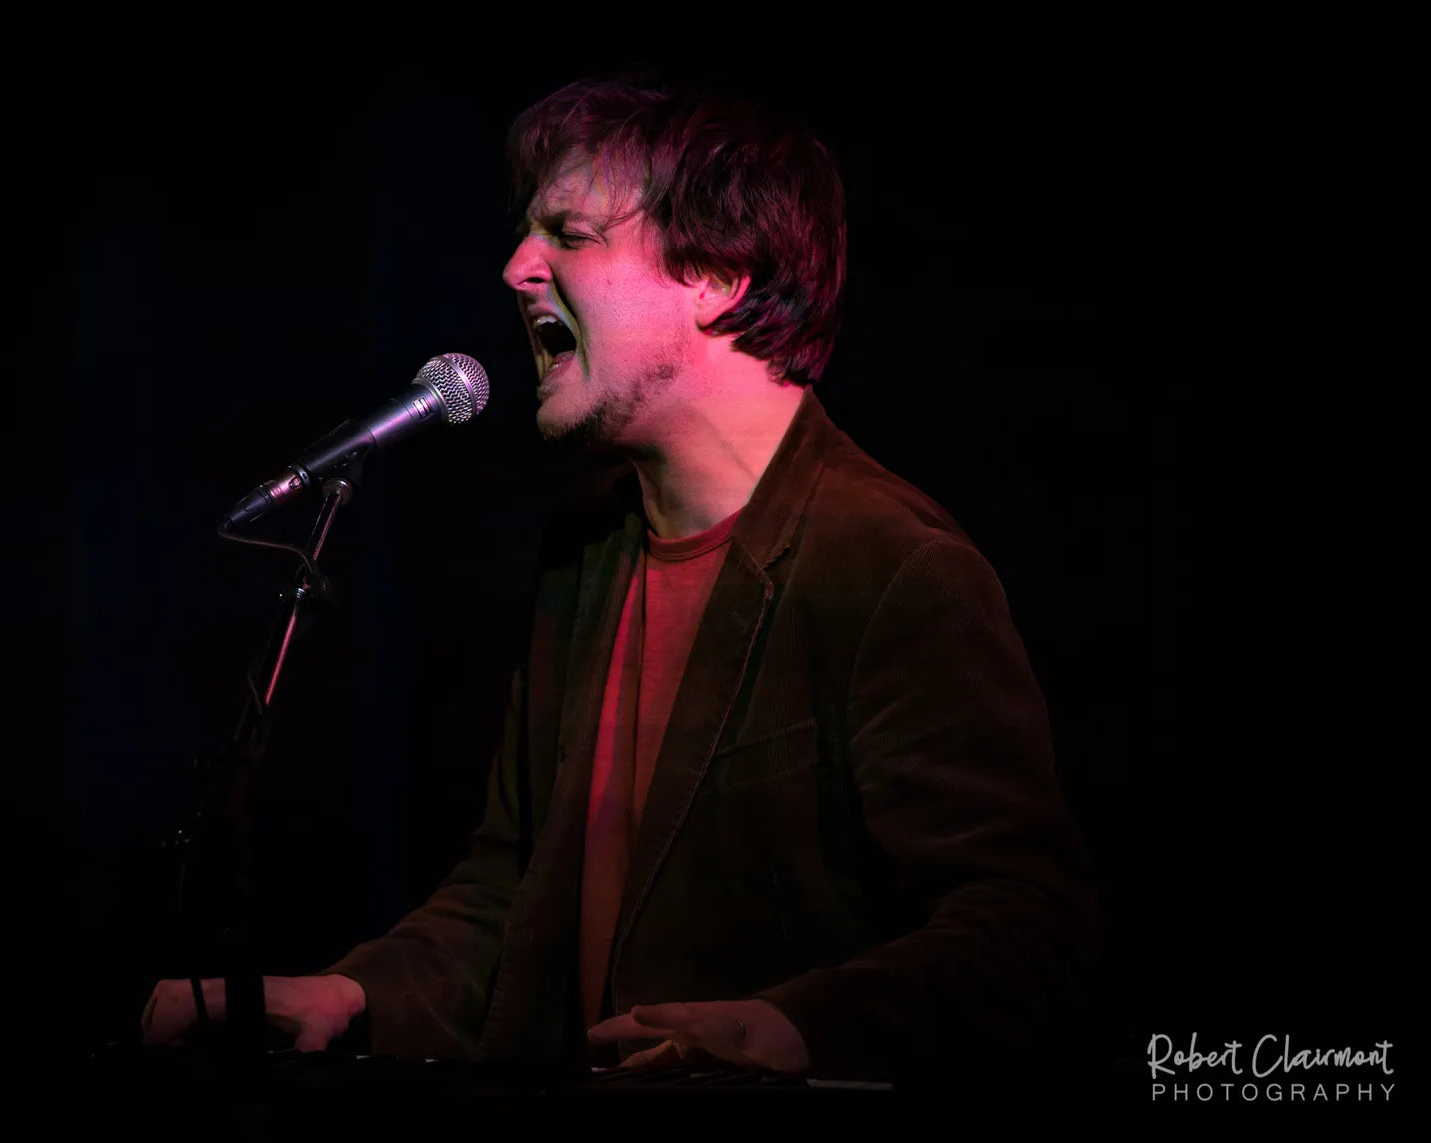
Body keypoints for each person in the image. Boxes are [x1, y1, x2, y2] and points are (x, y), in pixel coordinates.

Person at [142, 74, 1100, 1085]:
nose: (517, 268)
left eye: (571, 233)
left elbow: (1027, 931)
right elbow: (515, 893)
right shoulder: (589, 548)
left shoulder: (889, 565)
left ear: (718, 275)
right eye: (527, 235)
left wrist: (794, 1028)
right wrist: (360, 992)